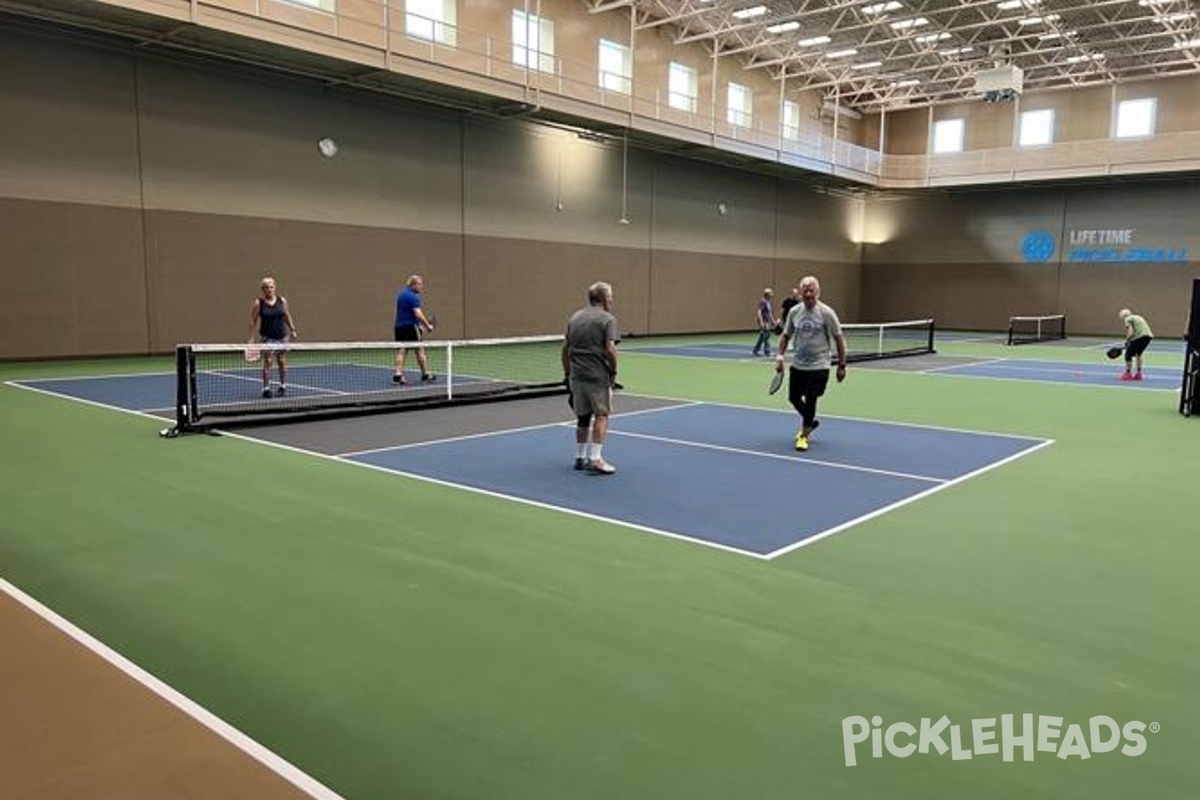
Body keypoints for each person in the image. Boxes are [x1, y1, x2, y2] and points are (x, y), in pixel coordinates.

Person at [774, 275, 847, 452]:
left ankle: (803, 435)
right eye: (804, 290)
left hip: (819, 365)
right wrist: (780, 358)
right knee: (793, 398)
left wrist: (842, 365)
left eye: (811, 290)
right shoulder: (794, 312)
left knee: (811, 398)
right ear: (800, 293)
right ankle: (811, 422)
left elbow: (839, 339)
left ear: (817, 292)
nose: (808, 294)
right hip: (798, 364)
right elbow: (785, 336)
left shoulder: (826, 313)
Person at [562, 281, 619, 475]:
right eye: (610, 296)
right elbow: (610, 350)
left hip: (577, 377)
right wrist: (613, 372)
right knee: (601, 415)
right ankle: (596, 459)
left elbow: (565, 349)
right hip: (597, 377)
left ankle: (580, 457)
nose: (612, 299)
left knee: (582, 418)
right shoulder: (607, 319)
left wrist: (567, 374)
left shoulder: (575, 317)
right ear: (603, 298)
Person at [248, 276, 298, 398]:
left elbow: (286, 315)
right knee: (268, 362)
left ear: (275, 288)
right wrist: (251, 338)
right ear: (263, 289)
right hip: (267, 337)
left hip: (282, 336)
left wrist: (292, 329)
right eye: (267, 287)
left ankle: (283, 386)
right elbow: (252, 321)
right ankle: (266, 388)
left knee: (281, 361)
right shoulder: (258, 303)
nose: (270, 289)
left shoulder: (282, 300)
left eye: (272, 287)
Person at [393, 274, 436, 384]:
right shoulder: (413, 297)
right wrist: (427, 325)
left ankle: (398, 374)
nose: (422, 287)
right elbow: (418, 314)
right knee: (420, 350)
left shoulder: (401, 295)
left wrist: (420, 328)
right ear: (413, 285)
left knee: (402, 351)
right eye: (420, 284)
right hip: (411, 327)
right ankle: (425, 374)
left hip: (399, 327)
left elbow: (407, 315)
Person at [1118, 308, 1154, 381]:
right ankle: (1138, 374)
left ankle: (1128, 374)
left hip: (1139, 337)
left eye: (1121, 317)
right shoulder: (1139, 317)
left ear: (1123, 316)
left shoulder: (1127, 319)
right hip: (1148, 337)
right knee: (1139, 354)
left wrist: (1127, 340)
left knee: (1128, 354)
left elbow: (1131, 332)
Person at [752, 288, 777, 357]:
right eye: (771, 293)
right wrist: (761, 322)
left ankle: (756, 350)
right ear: (767, 294)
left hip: (767, 321)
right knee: (766, 335)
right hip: (764, 321)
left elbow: (769, 313)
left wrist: (773, 321)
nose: (772, 295)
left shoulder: (768, 302)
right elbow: (759, 312)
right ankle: (767, 352)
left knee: (763, 336)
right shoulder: (763, 301)